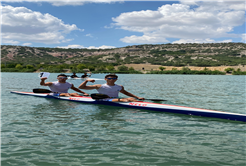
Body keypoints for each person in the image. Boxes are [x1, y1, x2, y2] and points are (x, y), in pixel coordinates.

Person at [78, 74, 144, 102]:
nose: (111, 79)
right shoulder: (99, 86)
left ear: (116, 79)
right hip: (104, 100)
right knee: (124, 100)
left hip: (115, 99)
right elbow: (81, 87)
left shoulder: (119, 86)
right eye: (109, 78)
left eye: (114, 78)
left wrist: (137, 97)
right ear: (105, 79)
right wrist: (86, 81)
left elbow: (126, 93)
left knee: (131, 98)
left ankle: (139, 104)